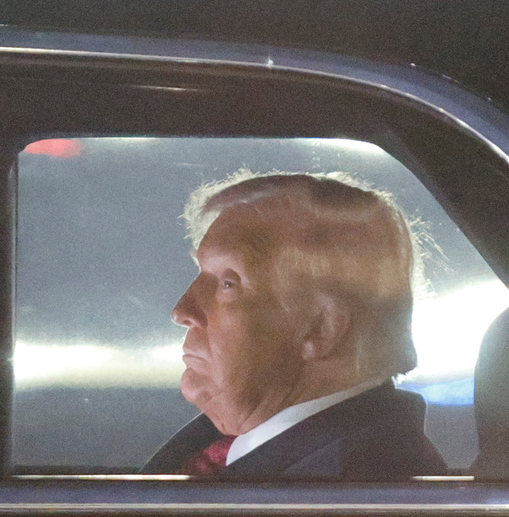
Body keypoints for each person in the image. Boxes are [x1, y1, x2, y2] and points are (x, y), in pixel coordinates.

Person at [143, 172, 447, 479]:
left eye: (228, 283)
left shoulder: (342, 493)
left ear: (322, 328)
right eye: (201, 272)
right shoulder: (339, 466)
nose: (182, 311)